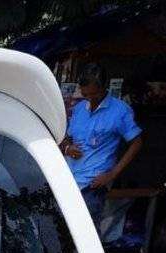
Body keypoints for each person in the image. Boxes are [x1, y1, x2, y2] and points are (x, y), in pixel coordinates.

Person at [61, 63, 143, 230]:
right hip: (69, 180)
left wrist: (112, 174)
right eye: (86, 95)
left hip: (93, 185)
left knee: (86, 232)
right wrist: (68, 148)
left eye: (94, 94)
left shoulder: (120, 111)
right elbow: (66, 138)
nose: (90, 99)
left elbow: (137, 143)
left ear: (104, 87)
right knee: (62, 231)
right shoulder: (78, 109)